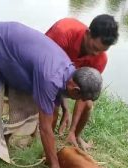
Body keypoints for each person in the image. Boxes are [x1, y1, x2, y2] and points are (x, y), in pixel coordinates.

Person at [0, 21, 103, 168]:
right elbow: (45, 128)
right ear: (75, 90)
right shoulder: (52, 77)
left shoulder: (67, 72)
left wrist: (64, 112)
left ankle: (1, 140)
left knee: (27, 104)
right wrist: (56, 167)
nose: (78, 102)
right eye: (79, 98)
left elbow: (52, 106)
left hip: (10, 53)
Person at [45, 14, 119, 150]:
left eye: (102, 50)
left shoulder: (100, 58)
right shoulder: (63, 32)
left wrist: (72, 130)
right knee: (52, 107)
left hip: (72, 83)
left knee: (88, 104)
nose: (96, 54)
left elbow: (84, 94)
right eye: (95, 48)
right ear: (87, 34)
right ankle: (47, 143)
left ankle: (74, 136)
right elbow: (48, 75)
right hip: (48, 74)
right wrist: (65, 108)